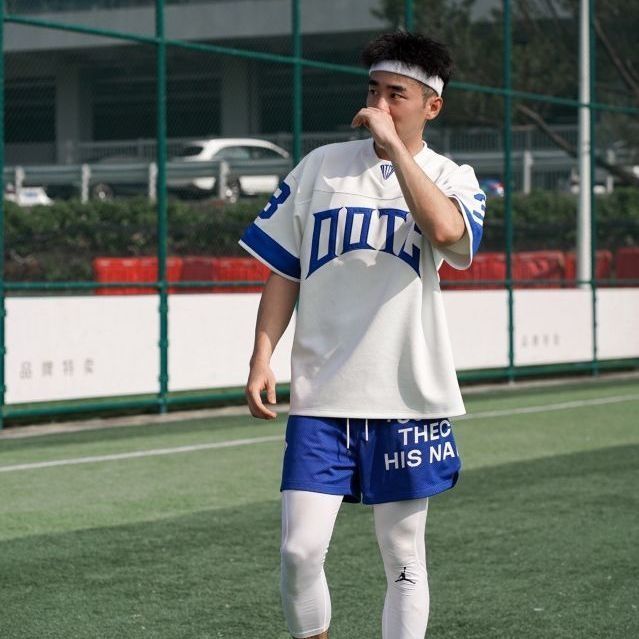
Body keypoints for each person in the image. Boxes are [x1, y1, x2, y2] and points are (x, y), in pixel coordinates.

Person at [239, 31, 486, 639]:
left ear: (432, 106)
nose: (378, 103)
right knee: (299, 552)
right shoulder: (320, 166)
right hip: (321, 395)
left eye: (396, 94)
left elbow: (448, 233)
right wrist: (262, 356)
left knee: (402, 559)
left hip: (406, 396)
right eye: (373, 89)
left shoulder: (452, 176)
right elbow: (285, 271)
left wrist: (395, 152)